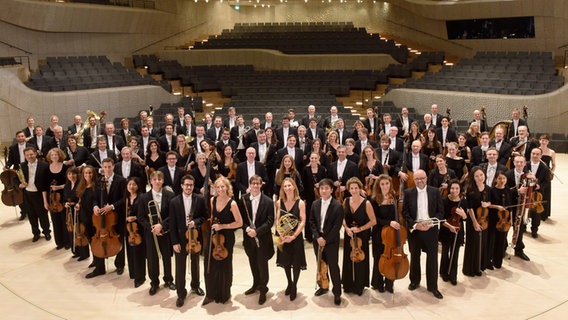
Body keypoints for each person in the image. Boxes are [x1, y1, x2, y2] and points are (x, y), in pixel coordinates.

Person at [403, 169, 444, 299]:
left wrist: (431, 223)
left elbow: (440, 212)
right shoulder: (408, 193)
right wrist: (415, 225)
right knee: (415, 256)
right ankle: (414, 281)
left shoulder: (435, 191)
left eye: (422, 178)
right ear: (413, 180)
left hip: (430, 229)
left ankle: (433, 286)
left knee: (432, 259)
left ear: (426, 178)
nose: (420, 181)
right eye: (417, 179)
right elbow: (405, 213)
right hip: (415, 230)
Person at [202, 177, 243, 306]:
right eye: (218, 187)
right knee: (210, 264)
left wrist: (223, 226)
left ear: (227, 187)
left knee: (224, 265)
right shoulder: (212, 200)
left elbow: (239, 223)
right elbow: (213, 217)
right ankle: (210, 294)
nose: (220, 189)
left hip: (227, 237)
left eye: (222, 187)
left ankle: (224, 293)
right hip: (214, 237)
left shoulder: (232, 203)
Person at [169, 175, 207, 307]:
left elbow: (204, 216)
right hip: (180, 239)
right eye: (186, 185)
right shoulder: (174, 201)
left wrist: (195, 222)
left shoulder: (200, 199)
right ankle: (180, 293)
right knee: (180, 267)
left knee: (195, 262)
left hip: (194, 237)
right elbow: (172, 224)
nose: (189, 187)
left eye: (191, 185)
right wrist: (174, 242)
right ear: (181, 186)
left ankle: (195, 286)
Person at [137, 171, 175, 295]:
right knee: (152, 259)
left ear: (163, 181)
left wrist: (161, 226)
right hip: (151, 233)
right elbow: (141, 217)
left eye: (160, 179)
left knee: (166, 257)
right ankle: (154, 282)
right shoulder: (143, 197)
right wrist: (153, 228)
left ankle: (168, 279)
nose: (157, 181)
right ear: (151, 181)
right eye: (155, 179)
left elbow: (172, 215)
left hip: (165, 231)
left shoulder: (170, 195)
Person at [87, 158, 126, 279]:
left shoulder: (121, 180)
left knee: (119, 240)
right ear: (102, 168)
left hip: (116, 216)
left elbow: (125, 198)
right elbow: (94, 198)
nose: (107, 169)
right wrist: (95, 206)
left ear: (113, 166)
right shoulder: (99, 181)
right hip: (100, 217)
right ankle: (99, 268)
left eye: (109, 167)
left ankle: (120, 265)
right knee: (98, 238)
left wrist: (112, 206)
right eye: (105, 167)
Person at [240, 175, 275, 305]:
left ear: (261, 185)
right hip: (249, 238)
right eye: (253, 183)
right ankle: (255, 284)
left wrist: (257, 232)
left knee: (262, 265)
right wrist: (247, 229)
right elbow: (240, 220)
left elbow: (270, 221)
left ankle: (263, 289)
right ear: (250, 184)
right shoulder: (243, 199)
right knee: (253, 263)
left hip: (263, 239)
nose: (255, 186)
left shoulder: (268, 201)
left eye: (257, 183)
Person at [309, 178, 344, 306]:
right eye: (321, 188)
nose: (323, 191)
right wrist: (318, 237)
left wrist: (326, 240)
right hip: (318, 239)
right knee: (321, 265)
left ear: (331, 190)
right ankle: (324, 286)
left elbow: (337, 227)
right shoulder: (315, 204)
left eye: (326, 188)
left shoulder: (338, 206)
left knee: (333, 267)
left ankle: (337, 292)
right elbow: (312, 222)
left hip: (331, 241)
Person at [341, 177, 376, 296]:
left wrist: (359, 229)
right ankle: (348, 284)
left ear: (360, 188)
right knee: (348, 258)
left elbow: (373, 221)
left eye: (356, 188)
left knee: (360, 259)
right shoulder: (346, 201)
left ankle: (359, 285)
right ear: (348, 189)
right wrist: (346, 228)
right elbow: (343, 218)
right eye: (351, 188)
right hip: (349, 235)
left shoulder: (366, 203)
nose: (354, 190)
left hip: (362, 235)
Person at [275, 177, 307, 301]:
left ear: (294, 187)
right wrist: (280, 233)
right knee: (286, 262)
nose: (287, 188)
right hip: (283, 236)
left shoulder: (300, 203)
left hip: (295, 237)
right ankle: (289, 282)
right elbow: (277, 219)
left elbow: (302, 220)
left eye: (289, 185)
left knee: (296, 263)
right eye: (285, 186)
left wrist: (293, 236)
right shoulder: (279, 202)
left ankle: (294, 286)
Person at [370, 174, 396, 293]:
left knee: (391, 258)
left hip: (391, 234)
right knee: (379, 258)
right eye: (382, 184)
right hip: (379, 233)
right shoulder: (374, 199)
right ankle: (378, 283)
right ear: (378, 186)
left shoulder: (394, 197)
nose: (385, 186)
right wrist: (389, 222)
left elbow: (397, 215)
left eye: (387, 183)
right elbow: (375, 219)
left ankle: (390, 282)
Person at [19, 147, 51, 241]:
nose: (30, 156)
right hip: (27, 194)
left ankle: (46, 232)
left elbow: (47, 180)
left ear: (35, 154)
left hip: (39, 194)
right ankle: (36, 233)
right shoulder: (22, 165)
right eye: (27, 155)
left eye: (31, 154)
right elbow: (16, 178)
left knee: (43, 215)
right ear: (25, 156)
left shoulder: (44, 165)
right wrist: (20, 184)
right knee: (31, 215)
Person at [463, 166, 490, 276]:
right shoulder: (470, 190)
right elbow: (470, 208)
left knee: (482, 243)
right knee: (472, 243)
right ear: (473, 178)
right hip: (473, 220)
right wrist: (475, 223)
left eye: (481, 175)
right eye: (477, 176)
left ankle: (479, 267)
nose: (480, 178)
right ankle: (470, 269)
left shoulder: (488, 188)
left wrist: (487, 204)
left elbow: (490, 202)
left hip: (484, 219)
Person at [439, 180, 467, 285]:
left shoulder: (463, 201)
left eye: (457, 188)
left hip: (458, 230)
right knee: (445, 252)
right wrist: (450, 226)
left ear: (460, 190)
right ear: (449, 189)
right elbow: (441, 218)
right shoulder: (444, 201)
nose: (454, 191)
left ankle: (453, 275)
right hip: (446, 229)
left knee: (455, 254)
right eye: (452, 188)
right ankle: (444, 273)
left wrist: (464, 214)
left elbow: (464, 219)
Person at [505, 155, 531, 261]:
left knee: (519, 229)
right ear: (514, 163)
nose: (519, 164)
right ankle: (503, 248)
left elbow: (532, 191)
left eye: (521, 162)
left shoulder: (528, 176)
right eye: (517, 162)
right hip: (510, 205)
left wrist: (535, 183)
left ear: (525, 163)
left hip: (521, 206)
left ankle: (519, 250)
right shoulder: (507, 174)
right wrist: (517, 191)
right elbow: (504, 191)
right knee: (505, 228)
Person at [122, 177, 146, 288]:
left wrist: (135, 218)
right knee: (130, 251)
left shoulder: (142, 197)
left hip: (138, 229)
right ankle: (133, 273)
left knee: (138, 253)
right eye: (129, 184)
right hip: (128, 229)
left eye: (134, 184)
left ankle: (140, 277)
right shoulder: (126, 198)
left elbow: (145, 214)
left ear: (138, 186)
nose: (131, 187)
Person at [46, 148, 70, 250]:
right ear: (50, 157)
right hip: (52, 198)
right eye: (52, 155)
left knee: (64, 220)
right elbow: (44, 187)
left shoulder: (65, 167)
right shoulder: (47, 169)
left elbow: (69, 183)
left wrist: (59, 187)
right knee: (55, 221)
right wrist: (45, 201)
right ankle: (59, 242)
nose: (54, 157)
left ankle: (67, 242)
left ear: (59, 155)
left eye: (56, 155)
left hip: (63, 197)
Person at [301, 152, 327, 242]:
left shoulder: (322, 169)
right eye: (312, 158)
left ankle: (319, 235)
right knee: (309, 216)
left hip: (320, 197)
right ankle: (308, 236)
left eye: (315, 158)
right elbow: (302, 185)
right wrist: (303, 198)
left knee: (319, 215)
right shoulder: (305, 169)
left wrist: (320, 184)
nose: (313, 160)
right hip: (308, 197)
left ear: (318, 159)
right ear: (309, 159)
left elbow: (325, 181)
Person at [525, 147, 550, 238]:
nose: (535, 156)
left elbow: (547, 182)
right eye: (533, 153)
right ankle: (523, 227)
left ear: (541, 155)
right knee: (525, 210)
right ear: (530, 154)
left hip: (537, 194)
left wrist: (540, 186)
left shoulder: (544, 168)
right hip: (526, 192)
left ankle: (534, 229)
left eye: (537, 154)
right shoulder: (525, 164)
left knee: (536, 212)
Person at [488, 171, 510, 269]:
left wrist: (511, 219)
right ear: (496, 179)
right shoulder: (491, 190)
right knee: (492, 240)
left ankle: (498, 262)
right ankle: (490, 260)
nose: (502, 181)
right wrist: (497, 207)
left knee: (501, 240)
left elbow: (510, 207)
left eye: (504, 178)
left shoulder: (508, 190)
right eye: (500, 178)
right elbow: (488, 204)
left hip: (505, 220)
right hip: (494, 218)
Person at [75, 166, 97, 262]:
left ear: (93, 174)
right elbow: (80, 199)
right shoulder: (82, 186)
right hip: (84, 215)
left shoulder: (96, 185)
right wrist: (78, 204)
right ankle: (94, 260)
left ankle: (97, 260)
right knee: (89, 238)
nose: (88, 175)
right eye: (86, 173)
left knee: (94, 239)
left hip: (93, 216)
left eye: (90, 173)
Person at [63, 167, 80, 257]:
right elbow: (63, 199)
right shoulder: (67, 185)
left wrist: (75, 203)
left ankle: (83, 253)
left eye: (73, 174)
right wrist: (65, 204)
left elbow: (81, 198)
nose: (71, 176)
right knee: (71, 231)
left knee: (79, 231)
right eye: (69, 174)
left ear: (77, 174)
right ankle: (75, 251)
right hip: (69, 212)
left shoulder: (80, 184)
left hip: (77, 211)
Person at [538, 134, 555, 221]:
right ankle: (536, 212)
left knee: (546, 193)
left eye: (546, 140)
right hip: (537, 174)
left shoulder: (552, 152)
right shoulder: (536, 151)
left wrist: (551, 171)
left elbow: (554, 164)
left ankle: (544, 214)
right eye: (542, 140)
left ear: (548, 142)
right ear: (539, 141)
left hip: (546, 174)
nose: (544, 142)